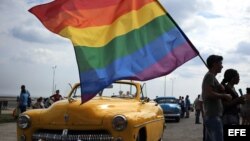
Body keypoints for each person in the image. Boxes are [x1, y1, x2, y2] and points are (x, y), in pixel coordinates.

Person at [201, 55, 232, 141]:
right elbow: (208, 94)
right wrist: (225, 95)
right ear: (214, 64)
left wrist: (219, 87)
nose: (222, 66)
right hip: (213, 116)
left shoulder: (212, 77)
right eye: (220, 63)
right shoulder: (210, 76)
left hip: (212, 116)